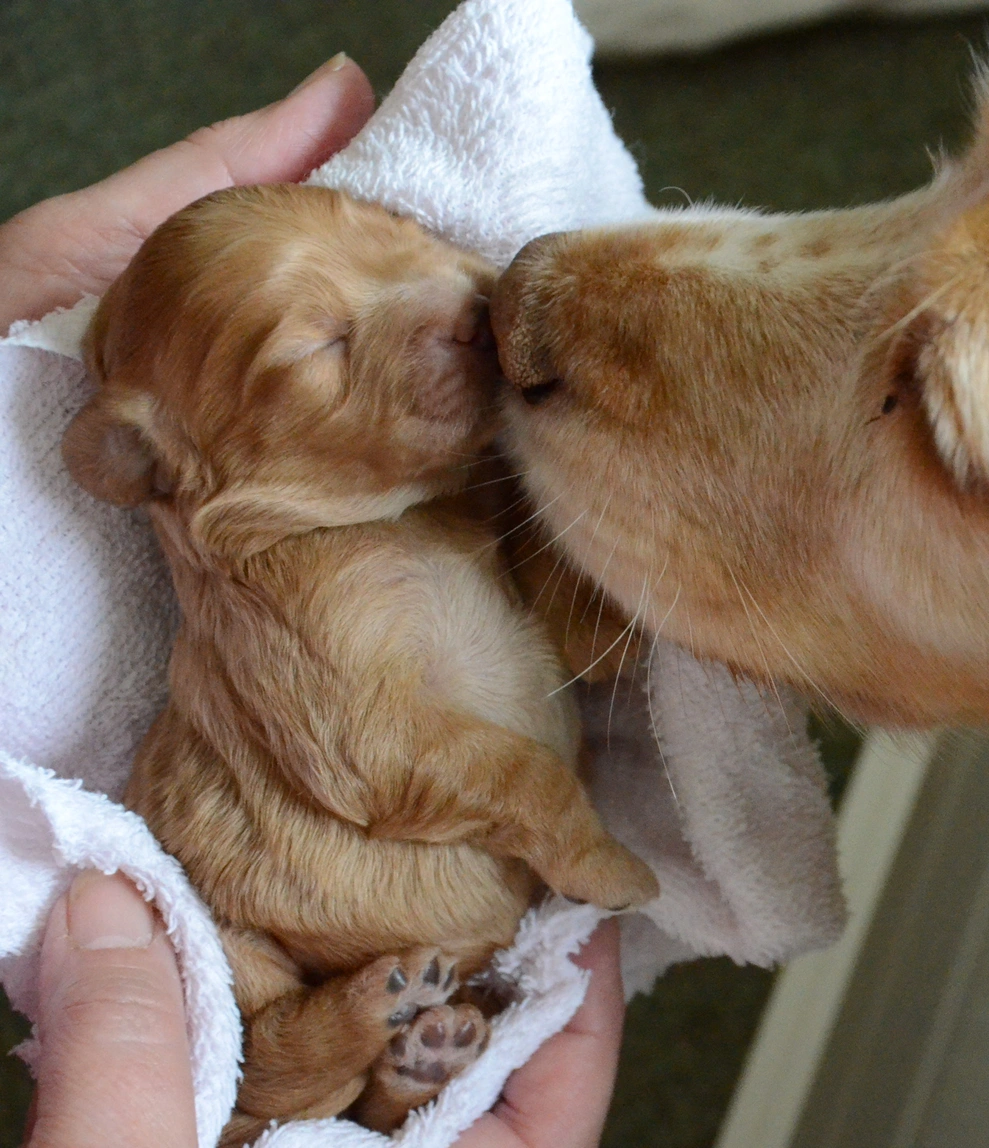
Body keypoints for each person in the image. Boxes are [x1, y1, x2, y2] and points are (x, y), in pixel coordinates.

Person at [4, 56, 626, 1148]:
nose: (452, 299)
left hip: (450, 925)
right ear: (169, 459)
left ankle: (397, 1079)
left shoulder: (429, 489)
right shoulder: (292, 585)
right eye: (322, 345)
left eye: (395, 234)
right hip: (280, 928)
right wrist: (569, 834)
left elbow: (548, 600)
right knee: (250, 1021)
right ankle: (337, 1050)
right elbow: (384, 764)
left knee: (430, 1037)